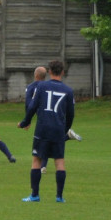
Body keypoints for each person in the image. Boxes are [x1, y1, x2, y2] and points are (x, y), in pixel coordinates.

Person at [18, 60, 74, 202]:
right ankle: (59, 197)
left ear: (49, 71)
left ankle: (35, 195)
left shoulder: (42, 86)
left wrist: (25, 122)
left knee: (36, 160)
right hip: (58, 129)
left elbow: (32, 107)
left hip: (42, 128)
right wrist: (64, 130)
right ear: (62, 72)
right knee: (59, 162)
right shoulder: (68, 91)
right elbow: (71, 114)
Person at [25, 66, 82, 174]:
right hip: (55, 118)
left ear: (35, 75)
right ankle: (44, 166)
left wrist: (27, 121)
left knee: (44, 141)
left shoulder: (34, 87)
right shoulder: (51, 86)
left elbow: (29, 105)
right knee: (50, 140)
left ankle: (41, 168)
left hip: (43, 118)